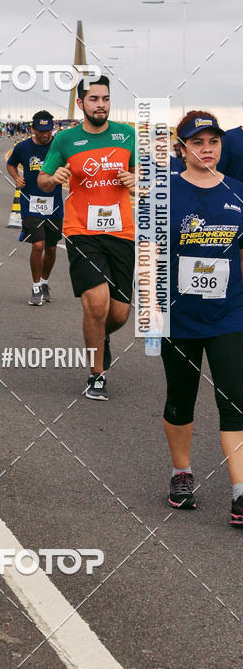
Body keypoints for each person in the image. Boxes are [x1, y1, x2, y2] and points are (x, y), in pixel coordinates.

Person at [160, 111, 243, 526]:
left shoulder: (238, 192)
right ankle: (181, 473)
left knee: (235, 399)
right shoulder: (165, 192)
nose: (207, 149)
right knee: (181, 398)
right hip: (179, 316)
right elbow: (149, 254)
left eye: (213, 141)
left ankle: (240, 491)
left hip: (229, 314)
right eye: (197, 142)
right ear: (182, 148)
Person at [37, 75, 136, 400]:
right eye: (94, 99)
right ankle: (96, 374)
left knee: (119, 313)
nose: (101, 105)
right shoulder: (65, 140)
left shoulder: (127, 135)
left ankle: (99, 337)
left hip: (121, 231)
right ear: (81, 103)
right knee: (96, 304)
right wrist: (55, 177)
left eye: (105, 98)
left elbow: (145, 177)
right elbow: (43, 181)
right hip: (82, 231)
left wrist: (135, 180)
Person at [7, 111, 64, 304]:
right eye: (41, 131)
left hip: (54, 205)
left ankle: (45, 281)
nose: (45, 134)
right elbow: (11, 164)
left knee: (51, 247)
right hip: (30, 204)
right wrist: (16, 177)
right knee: (38, 245)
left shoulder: (59, 146)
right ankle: (36, 286)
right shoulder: (23, 147)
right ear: (33, 129)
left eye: (48, 130)